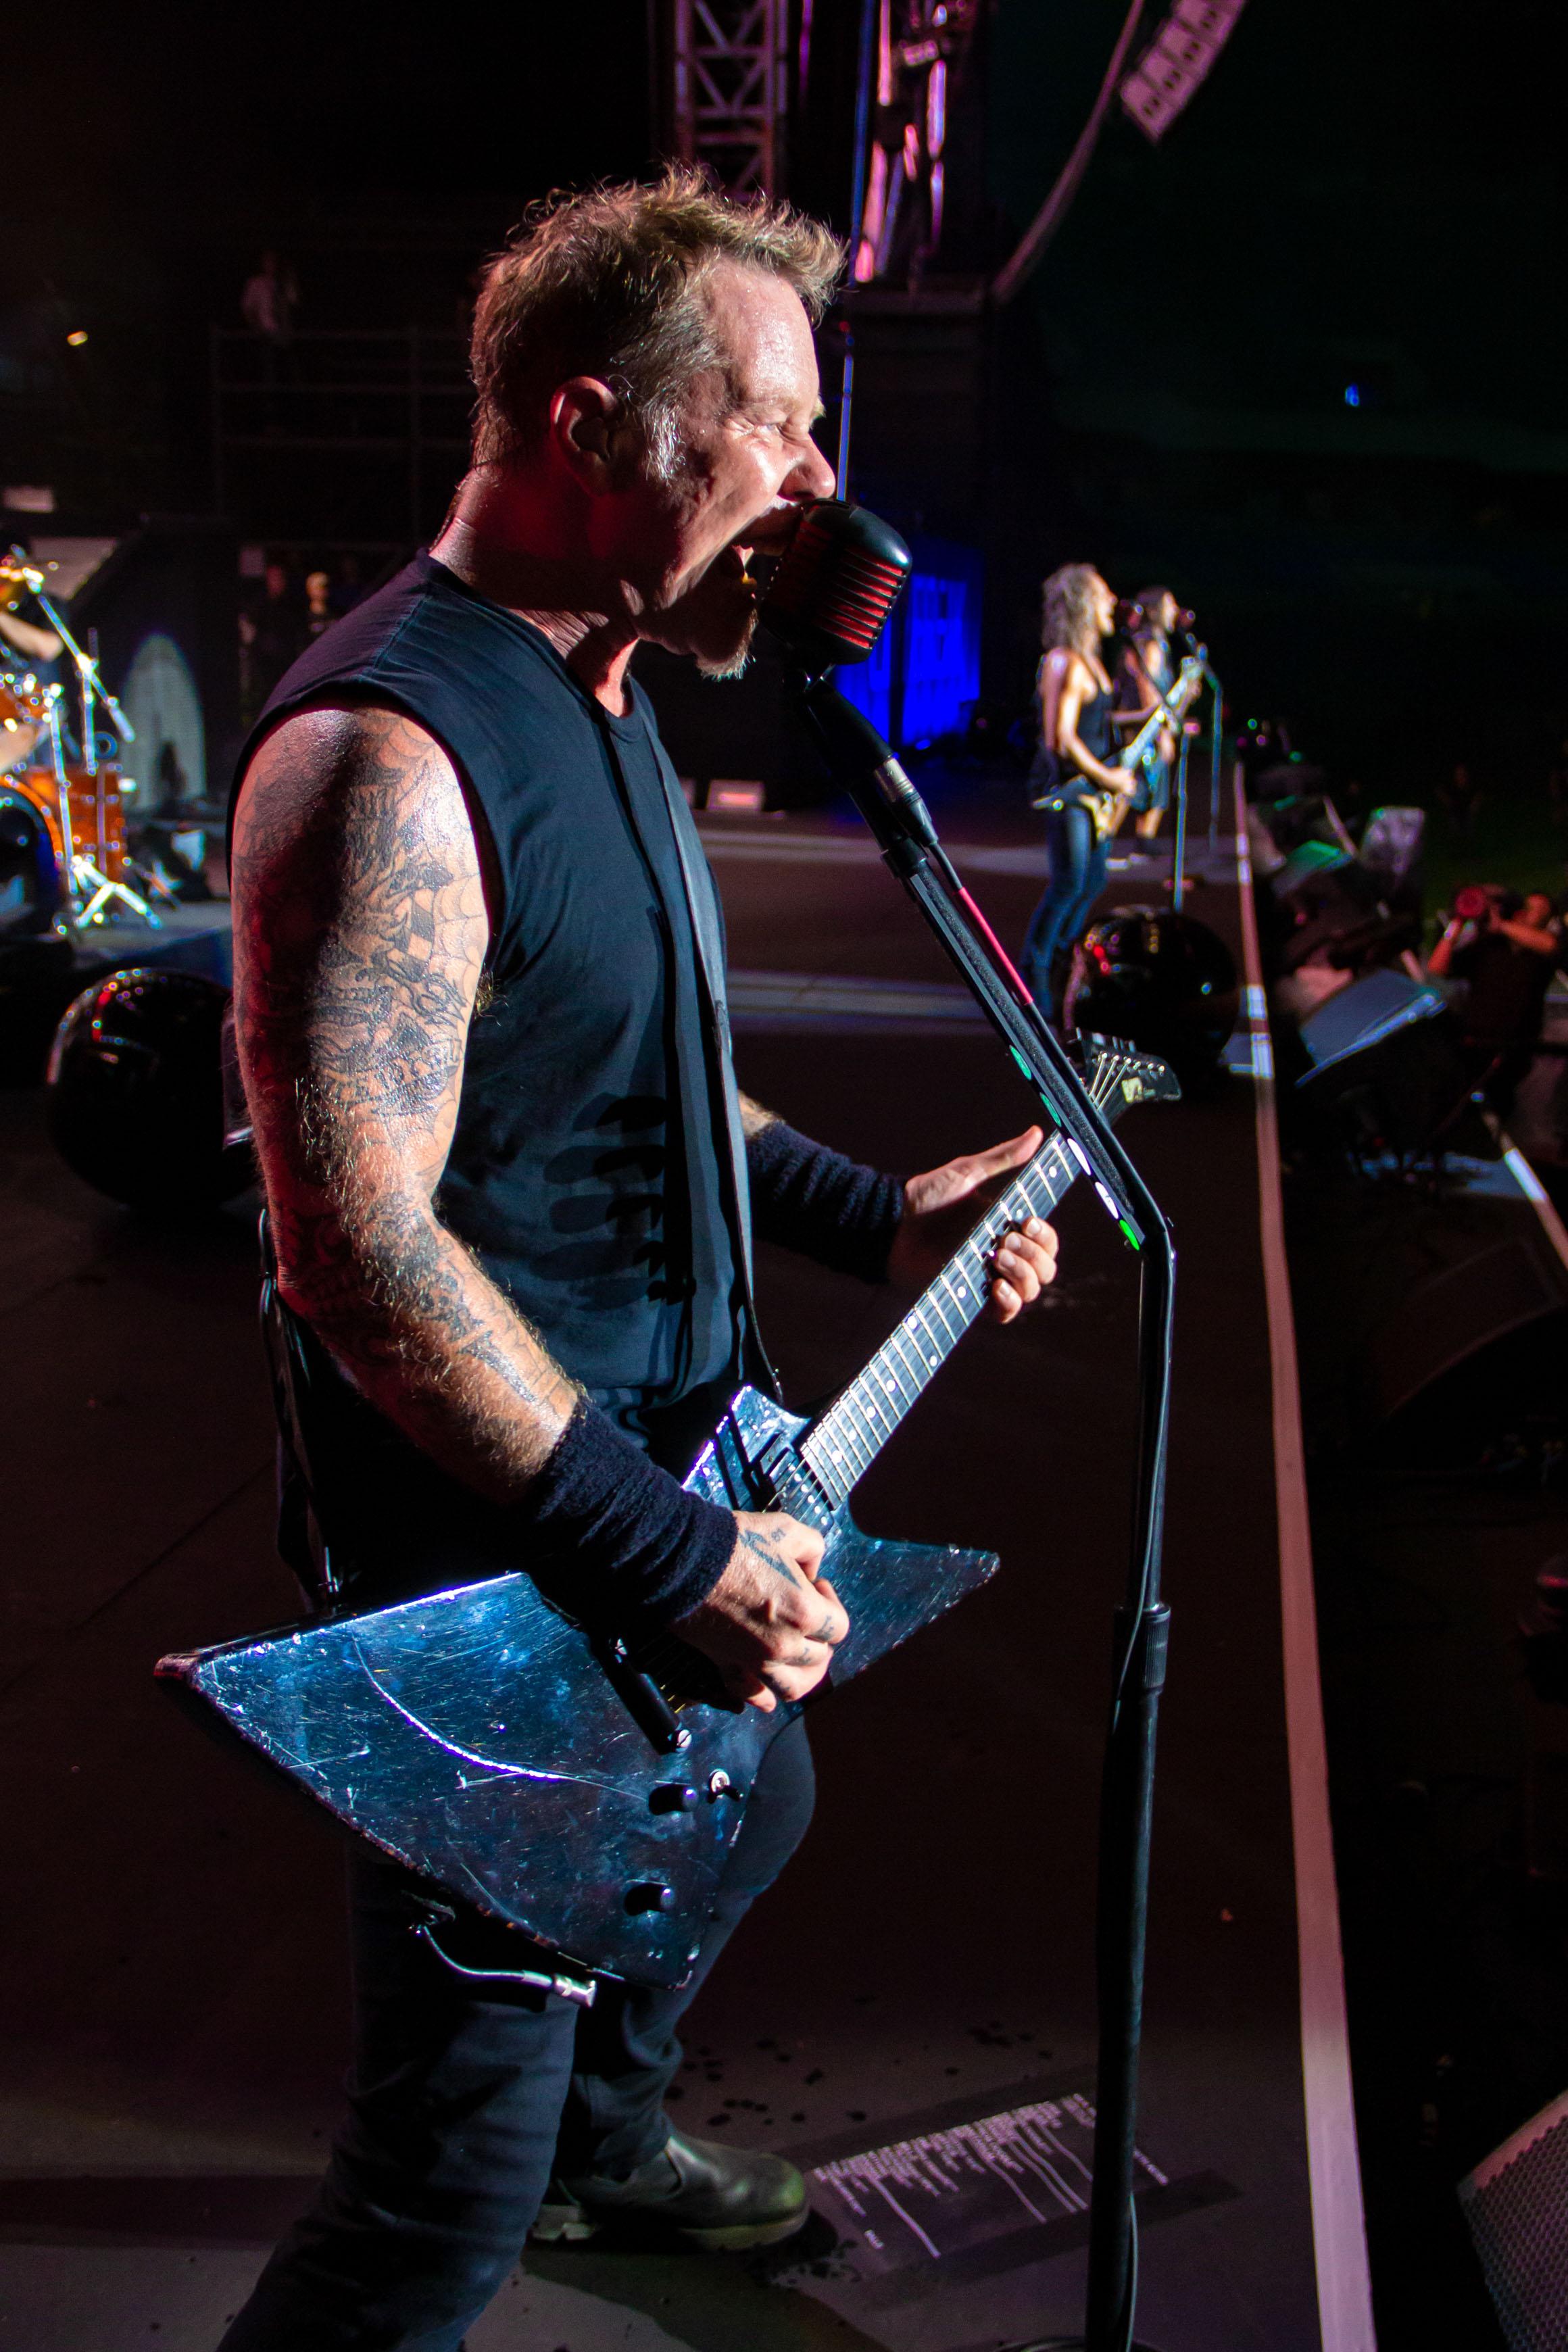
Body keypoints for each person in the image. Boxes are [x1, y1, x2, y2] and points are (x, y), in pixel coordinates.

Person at [218, 168, 1060, 2351]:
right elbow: (356, 1249)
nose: (820, 487)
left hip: (662, 1484)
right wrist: (660, 1556)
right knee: (431, 2204)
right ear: (596, 425)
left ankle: (612, 2135)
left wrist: (880, 1215)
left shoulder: (609, 695)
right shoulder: (385, 756)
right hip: (500, 1582)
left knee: (753, 1797)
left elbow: (635, 1073)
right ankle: (544, 2153)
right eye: (776, 426)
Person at [1019, 563, 1135, 1012]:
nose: (1113, 603)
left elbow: (1093, 721)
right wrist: (1110, 778)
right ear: (1085, 605)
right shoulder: (1064, 662)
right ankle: (1033, 977)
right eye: (1104, 596)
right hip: (1069, 789)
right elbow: (1061, 739)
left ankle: (1063, 965)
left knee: (1093, 880)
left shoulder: (1093, 663)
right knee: (1069, 883)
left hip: (1092, 792)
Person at [1427, 885, 1563, 1112]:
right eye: (1528, 907)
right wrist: (1457, 923)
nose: (1529, 913)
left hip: (1512, 1052)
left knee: (1501, 1111)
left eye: (1540, 910)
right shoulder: (1489, 946)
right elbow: (1437, 967)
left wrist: (1501, 925)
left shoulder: (1540, 953)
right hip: (1472, 1045)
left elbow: (1551, 946)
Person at [1112, 584, 1179, 846]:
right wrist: (1162, 733)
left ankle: (1144, 839)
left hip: (1147, 727)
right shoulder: (1149, 646)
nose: (1175, 611)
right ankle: (1104, 840)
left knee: (1149, 784)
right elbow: (1148, 691)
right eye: (1169, 605)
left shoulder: (1158, 645)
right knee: (1134, 783)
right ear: (1154, 611)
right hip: (1141, 729)